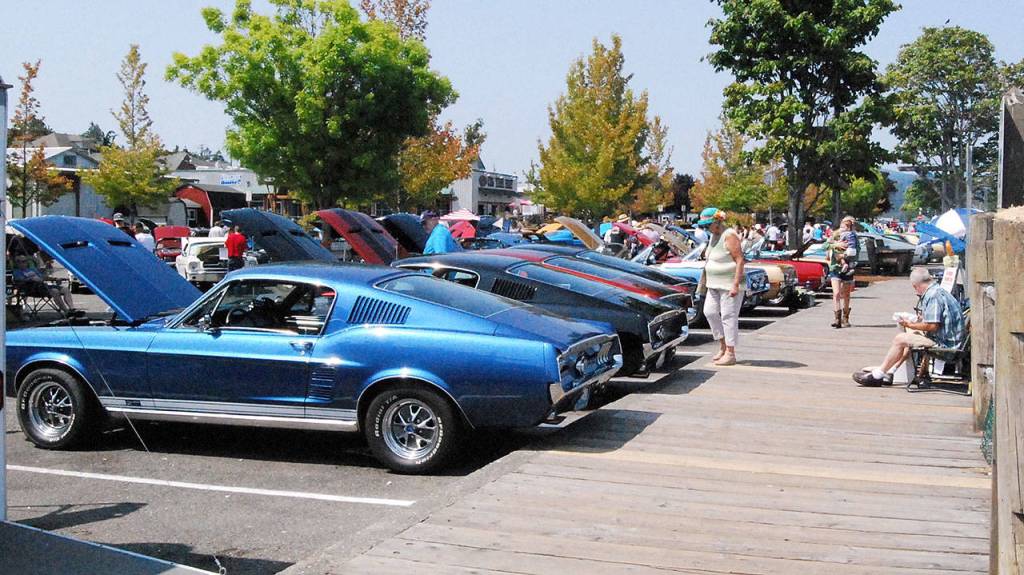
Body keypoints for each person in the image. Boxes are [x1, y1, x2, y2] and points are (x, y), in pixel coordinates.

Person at [853, 267, 965, 386]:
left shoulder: (932, 295)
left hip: (946, 346)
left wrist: (909, 324)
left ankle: (878, 375)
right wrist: (913, 323)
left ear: (915, 285)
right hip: (949, 340)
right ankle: (889, 371)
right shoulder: (938, 291)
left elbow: (932, 326)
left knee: (900, 339)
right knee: (908, 336)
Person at [699, 207, 745, 366]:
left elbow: (739, 260)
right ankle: (723, 345)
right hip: (713, 284)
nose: (706, 228)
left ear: (717, 222)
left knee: (728, 316)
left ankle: (730, 353)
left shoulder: (729, 235)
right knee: (709, 312)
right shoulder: (713, 236)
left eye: (708, 225)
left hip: (728, 284)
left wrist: (736, 284)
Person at [12, 254, 78, 316]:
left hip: (43, 286)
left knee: (65, 289)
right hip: (33, 289)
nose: (24, 263)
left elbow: (43, 277)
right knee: (55, 291)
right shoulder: (17, 272)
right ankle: (66, 312)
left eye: (25, 261)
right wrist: (32, 278)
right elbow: (20, 280)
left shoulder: (32, 269)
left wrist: (55, 279)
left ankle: (72, 309)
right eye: (22, 261)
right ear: (17, 263)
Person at [825, 216, 859, 327]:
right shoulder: (836, 234)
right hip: (835, 268)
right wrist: (836, 244)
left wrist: (845, 255)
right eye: (843, 224)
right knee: (836, 293)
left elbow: (856, 251)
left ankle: (846, 318)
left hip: (848, 268)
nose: (845, 227)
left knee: (846, 294)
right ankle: (837, 319)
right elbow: (825, 245)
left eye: (849, 224)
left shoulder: (853, 237)